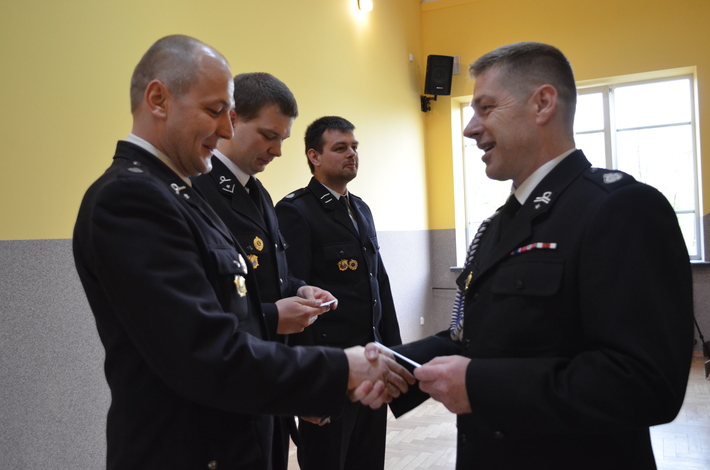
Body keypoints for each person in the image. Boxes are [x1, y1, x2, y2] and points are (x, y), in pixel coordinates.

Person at [72, 35, 413, 470]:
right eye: (215, 111)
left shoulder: (180, 192)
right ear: (158, 99)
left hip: (240, 430)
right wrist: (339, 369)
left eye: (229, 114)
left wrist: (294, 380)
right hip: (185, 448)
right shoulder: (132, 198)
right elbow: (204, 351)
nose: (226, 129)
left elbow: (241, 300)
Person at [389, 41, 694, 470]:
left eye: (485, 108)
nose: (470, 128)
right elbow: (478, 336)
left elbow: (646, 384)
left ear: (543, 104)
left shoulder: (620, 208)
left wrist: (479, 385)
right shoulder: (500, 223)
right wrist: (392, 365)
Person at [192, 72, 331, 469]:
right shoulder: (198, 191)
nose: (278, 151)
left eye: (283, 139)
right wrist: (272, 316)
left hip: (266, 384)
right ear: (232, 119)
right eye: (269, 136)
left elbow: (272, 277)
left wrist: (300, 290)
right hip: (227, 395)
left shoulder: (257, 193)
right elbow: (202, 305)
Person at [275, 116, 402, 470]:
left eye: (355, 147)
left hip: (371, 363)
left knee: (368, 460)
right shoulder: (295, 211)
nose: (352, 155)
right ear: (314, 156)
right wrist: (307, 385)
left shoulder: (361, 209)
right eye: (341, 148)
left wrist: (396, 355)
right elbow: (295, 299)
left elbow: (380, 286)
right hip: (330, 369)